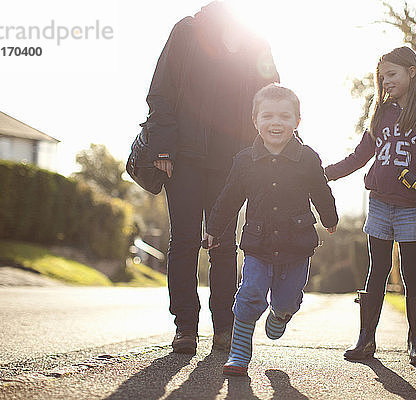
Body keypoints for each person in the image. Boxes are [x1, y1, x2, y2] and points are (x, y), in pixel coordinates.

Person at [142, 1, 280, 355]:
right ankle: (185, 328)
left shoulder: (255, 39)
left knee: (223, 245)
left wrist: (267, 149)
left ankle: (224, 329)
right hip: (184, 156)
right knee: (185, 240)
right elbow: (162, 90)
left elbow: (271, 95)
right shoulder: (187, 31)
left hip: (233, 161)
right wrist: (161, 147)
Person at [325, 46, 416, 366]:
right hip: (380, 204)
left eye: (392, 75)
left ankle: (415, 343)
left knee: (411, 273)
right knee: (376, 271)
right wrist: (322, 174)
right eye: (382, 78)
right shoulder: (381, 112)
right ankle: (366, 339)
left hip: (414, 207)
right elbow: (359, 157)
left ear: (412, 72)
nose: (386, 82)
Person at [205, 84, 338, 376]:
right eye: (267, 116)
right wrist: (214, 228)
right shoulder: (244, 161)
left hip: (297, 243)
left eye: (284, 116)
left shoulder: (307, 158)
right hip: (258, 244)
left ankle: (280, 313)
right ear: (256, 121)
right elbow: (229, 198)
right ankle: (239, 354)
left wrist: (329, 217)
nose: (275, 122)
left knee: (288, 297)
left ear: (296, 122)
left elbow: (320, 189)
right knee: (250, 293)